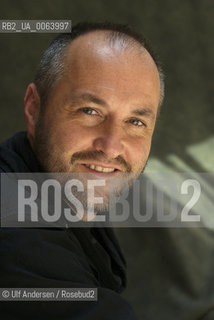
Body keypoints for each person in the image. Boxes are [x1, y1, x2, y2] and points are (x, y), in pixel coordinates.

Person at [0, 22, 163, 319]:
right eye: (90, 111)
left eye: (135, 122)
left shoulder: (58, 193)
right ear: (34, 108)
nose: (112, 146)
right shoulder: (16, 234)